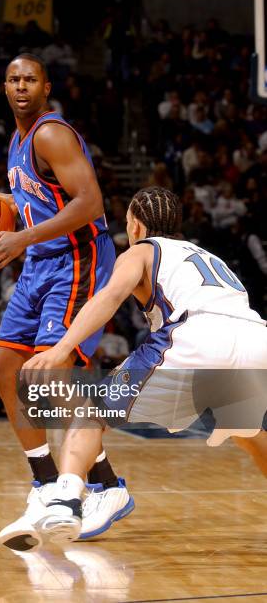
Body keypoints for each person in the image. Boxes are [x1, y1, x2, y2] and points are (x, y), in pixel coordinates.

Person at [23, 186, 267, 545]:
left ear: (135, 225)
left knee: (90, 410)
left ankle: (65, 501)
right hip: (256, 338)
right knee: (250, 435)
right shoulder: (210, 256)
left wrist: (61, 349)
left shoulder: (141, 251)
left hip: (196, 334)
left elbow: (110, 297)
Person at [0, 54, 133, 551]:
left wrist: (22, 238)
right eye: (14, 79)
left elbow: (90, 204)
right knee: (5, 370)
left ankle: (105, 488)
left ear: (46, 87)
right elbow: (40, 200)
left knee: (50, 375)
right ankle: (46, 482)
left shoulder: (51, 134)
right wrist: (12, 231)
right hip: (40, 264)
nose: (22, 86)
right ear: (3, 87)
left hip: (77, 259)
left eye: (30, 79)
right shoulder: (16, 141)